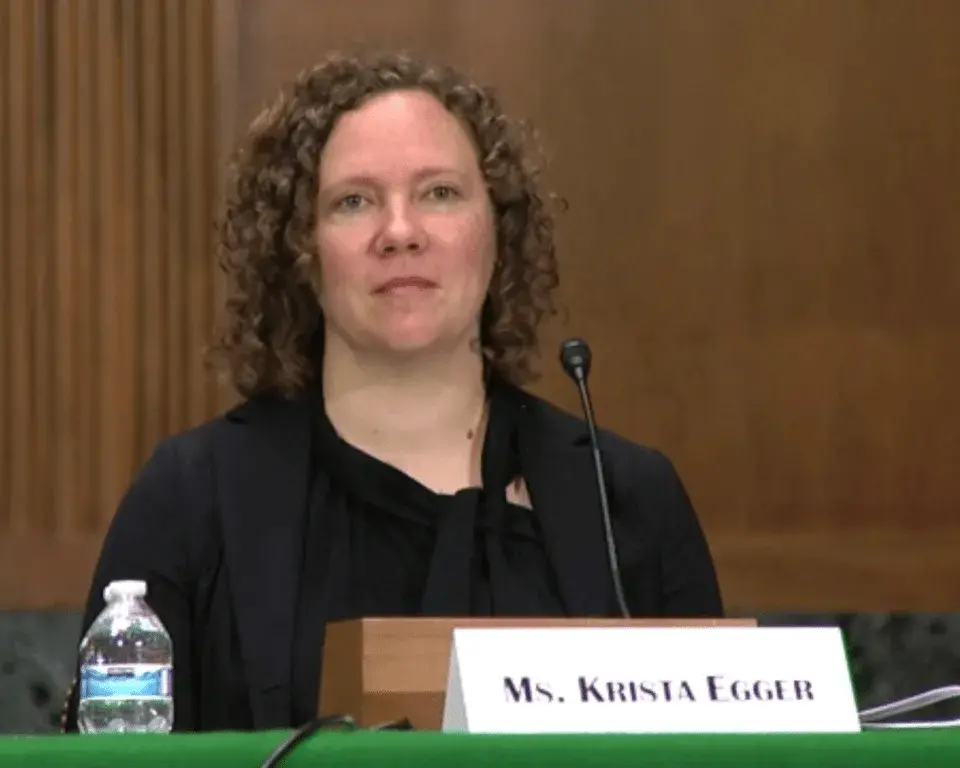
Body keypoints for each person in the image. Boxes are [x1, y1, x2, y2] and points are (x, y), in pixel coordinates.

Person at [63, 50, 723, 733]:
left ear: (498, 231)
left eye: (439, 193)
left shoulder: (626, 498)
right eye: (354, 202)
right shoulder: (193, 498)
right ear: (300, 250)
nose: (400, 233)